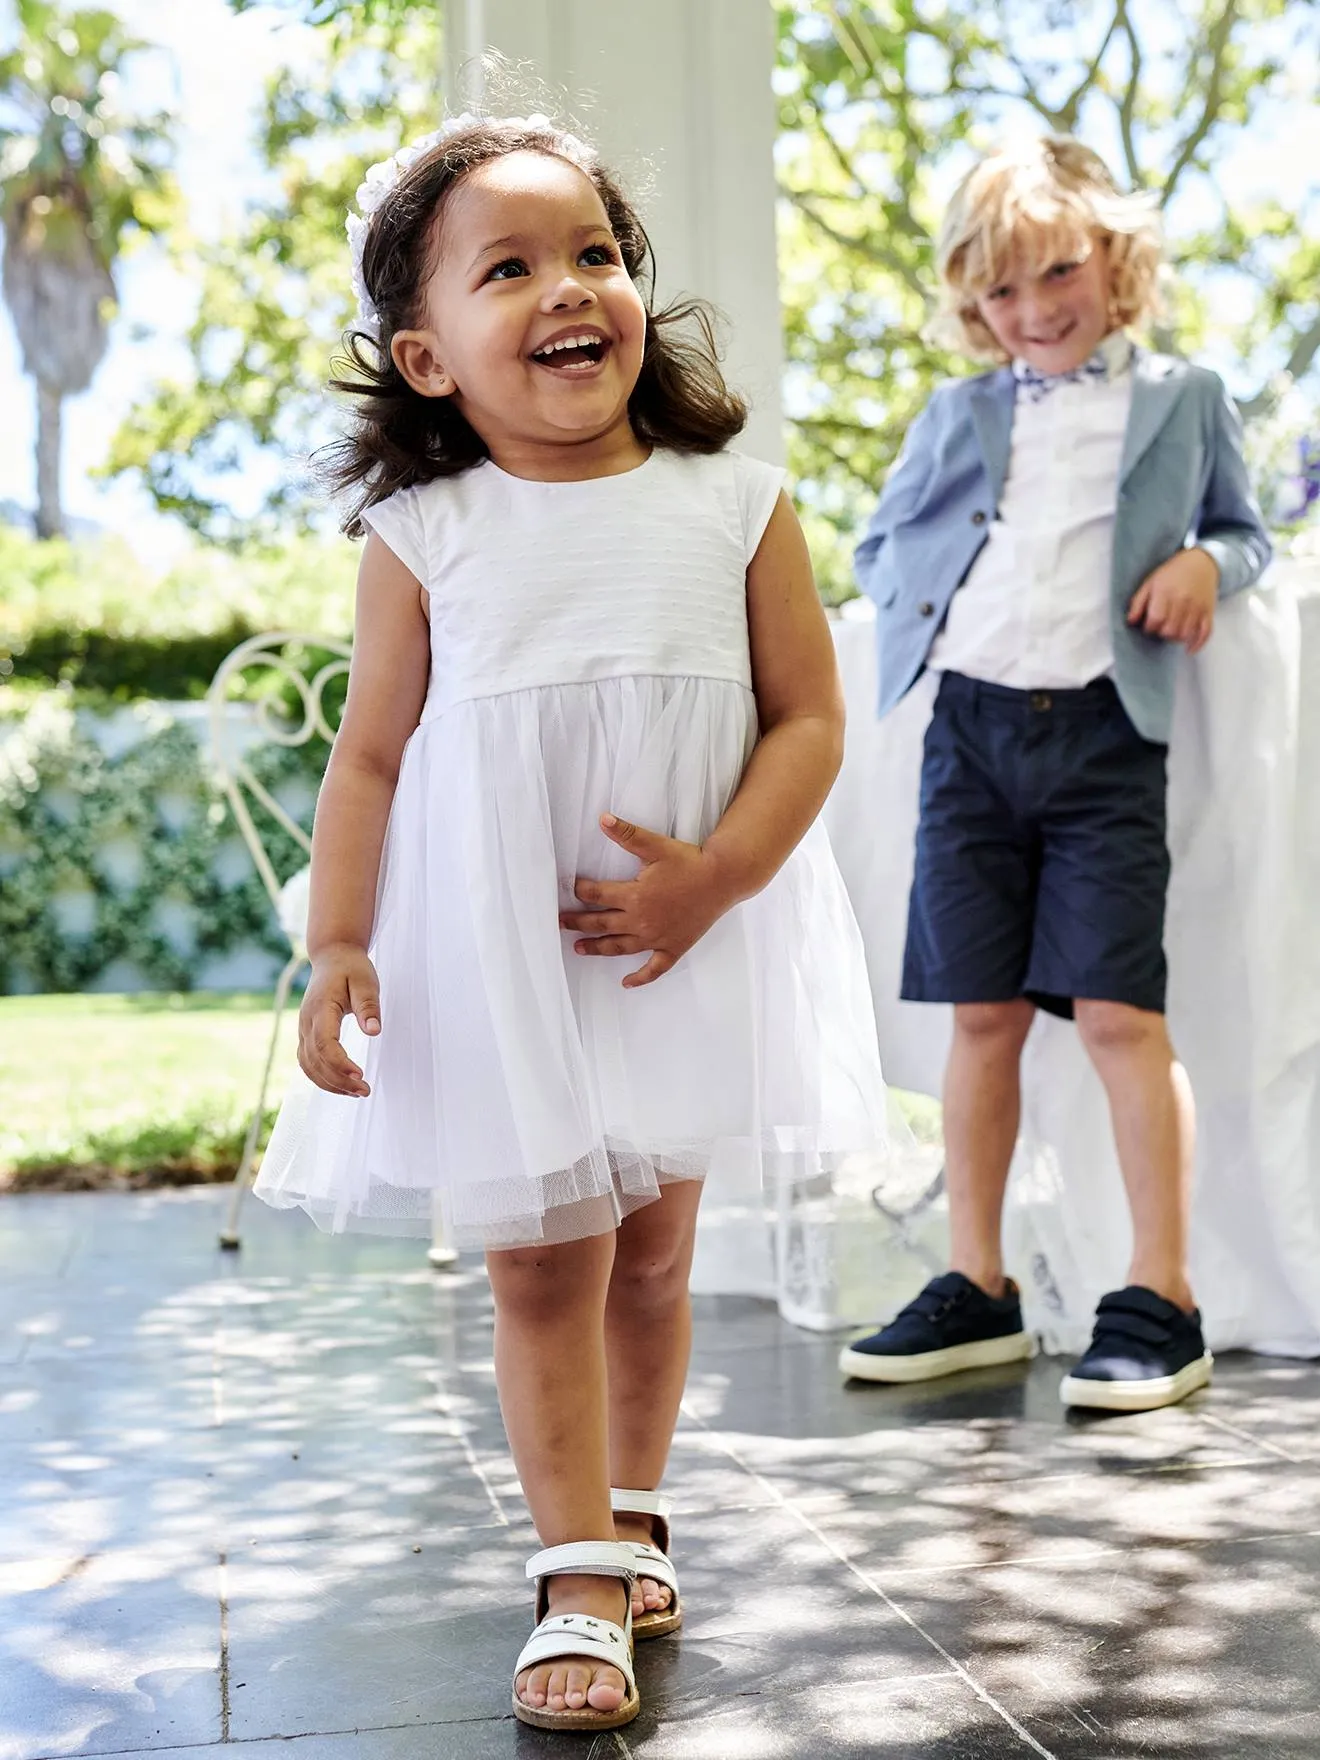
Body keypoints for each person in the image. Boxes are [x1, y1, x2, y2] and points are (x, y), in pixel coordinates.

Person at [253, 113, 890, 1732]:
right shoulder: (424, 537)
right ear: (427, 355)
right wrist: (338, 944)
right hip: (497, 951)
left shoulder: (735, 506)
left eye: (596, 253)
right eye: (512, 266)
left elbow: (809, 717)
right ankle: (577, 1567)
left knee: (658, 1250)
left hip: (678, 924)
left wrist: (719, 873)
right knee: (546, 1263)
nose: (571, 287)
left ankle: (633, 1499)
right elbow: (372, 755)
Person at [840, 135, 1271, 1414]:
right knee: (981, 1015)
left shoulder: (1185, 397)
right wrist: (929, 601)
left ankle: (1163, 1293)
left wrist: (1206, 565)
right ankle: (978, 1280)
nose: (1032, 312)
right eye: (1001, 294)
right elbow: (884, 538)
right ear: (973, 306)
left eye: (1056, 275)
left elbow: (1243, 530)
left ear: (1116, 260)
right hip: (967, 736)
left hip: (1102, 737)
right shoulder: (957, 410)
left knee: (1121, 1016)